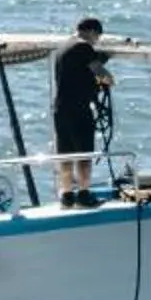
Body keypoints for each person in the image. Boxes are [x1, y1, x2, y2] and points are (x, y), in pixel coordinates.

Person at [50, 17, 112, 207]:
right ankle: (84, 193)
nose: (96, 41)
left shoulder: (61, 49)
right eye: (97, 37)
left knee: (65, 153)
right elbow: (103, 75)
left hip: (60, 108)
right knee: (84, 152)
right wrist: (106, 80)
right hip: (79, 107)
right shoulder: (84, 47)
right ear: (92, 31)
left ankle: (66, 194)